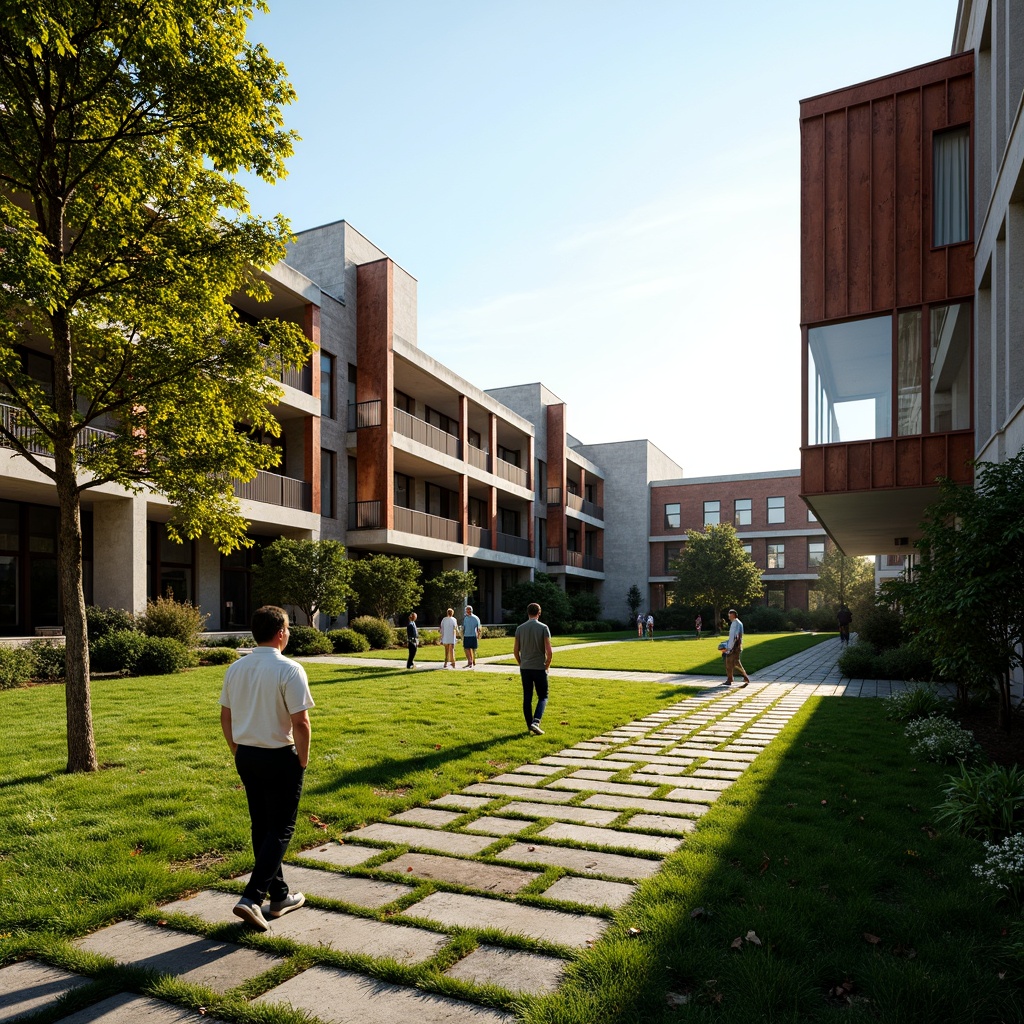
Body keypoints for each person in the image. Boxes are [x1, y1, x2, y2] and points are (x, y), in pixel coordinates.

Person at [219, 605, 313, 932]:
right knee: (282, 828)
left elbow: (225, 717)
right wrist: (302, 759)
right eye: (288, 628)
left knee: (262, 825)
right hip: (280, 755)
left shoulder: (236, 669)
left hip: (246, 754)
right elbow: (301, 722)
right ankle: (252, 897)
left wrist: (236, 749)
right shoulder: (290, 669)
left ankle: (280, 896)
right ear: (281, 632)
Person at [514, 602, 553, 735]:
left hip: (525, 667)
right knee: (543, 696)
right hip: (539, 667)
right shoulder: (543, 628)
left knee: (527, 696)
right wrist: (547, 665)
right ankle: (536, 722)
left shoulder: (520, 628)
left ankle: (529, 724)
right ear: (539, 612)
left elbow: (515, 651)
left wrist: (521, 663)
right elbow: (549, 651)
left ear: (528, 612)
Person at [724, 608, 751, 687]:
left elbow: (736, 636)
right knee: (736, 662)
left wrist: (731, 647)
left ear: (733, 615)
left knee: (729, 662)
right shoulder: (738, 623)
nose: (729, 616)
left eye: (730, 615)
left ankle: (730, 679)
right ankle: (743, 677)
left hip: (734, 647)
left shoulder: (735, 623)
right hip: (736, 646)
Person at [462, 604, 482, 668]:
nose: (468, 611)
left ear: (471, 610)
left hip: (473, 636)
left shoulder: (476, 618)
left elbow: (479, 628)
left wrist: (478, 636)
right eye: (467, 610)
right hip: (466, 635)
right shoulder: (465, 618)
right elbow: (463, 627)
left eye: (469, 609)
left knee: (473, 649)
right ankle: (469, 660)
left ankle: (473, 661)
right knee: (466, 648)